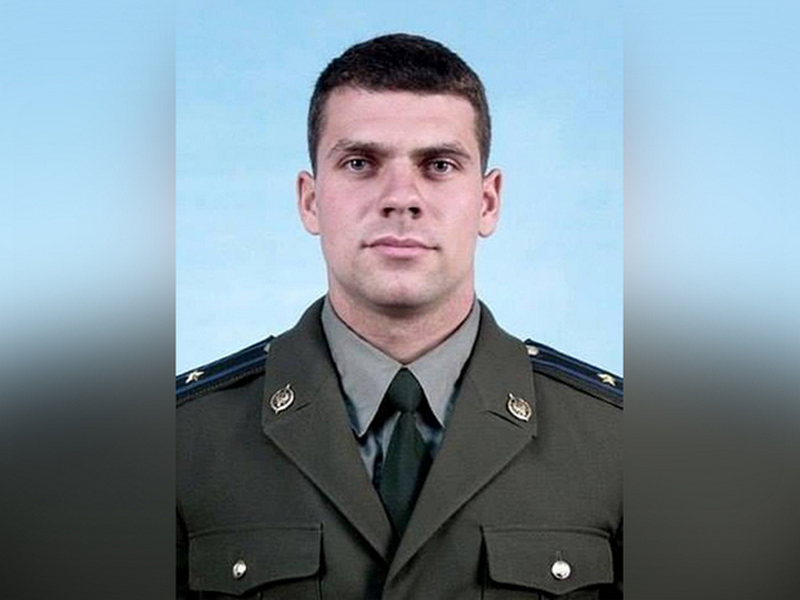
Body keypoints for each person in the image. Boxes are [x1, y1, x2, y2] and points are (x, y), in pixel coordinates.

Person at [177, 33, 622, 599]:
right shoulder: (183, 440)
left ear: (487, 202)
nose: (400, 197)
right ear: (310, 201)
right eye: (360, 163)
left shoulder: (619, 441)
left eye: (438, 165)